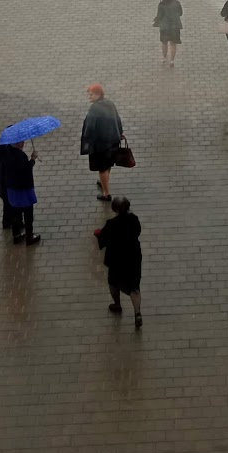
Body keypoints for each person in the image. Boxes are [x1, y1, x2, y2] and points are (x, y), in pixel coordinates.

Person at [96, 196, 143, 328]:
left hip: (116, 259)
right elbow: (138, 231)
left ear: (115, 209)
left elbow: (103, 240)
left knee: (113, 282)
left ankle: (117, 304)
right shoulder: (134, 219)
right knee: (134, 287)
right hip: (133, 257)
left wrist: (98, 235)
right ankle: (137, 313)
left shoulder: (111, 224)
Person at [80, 83, 125, 201]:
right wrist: (120, 133)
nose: (89, 97)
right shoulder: (109, 103)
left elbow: (89, 128)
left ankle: (106, 193)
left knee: (102, 168)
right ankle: (104, 182)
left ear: (98, 95)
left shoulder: (94, 109)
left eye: (91, 95)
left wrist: (87, 142)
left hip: (101, 145)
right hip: (113, 141)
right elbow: (117, 119)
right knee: (108, 164)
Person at [0, 140, 40, 244]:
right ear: (17, 143)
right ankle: (29, 236)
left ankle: (16, 235)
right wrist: (32, 159)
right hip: (23, 190)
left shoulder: (6, 152)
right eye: (21, 142)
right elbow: (26, 170)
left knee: (15, 212)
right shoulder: (21, 156)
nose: (23, 143)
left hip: (11, 189)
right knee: (28, 214)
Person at [153, 0, 183, 67]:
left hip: (165, 27)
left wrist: (156, 19)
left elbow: (159, 16)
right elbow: (180, 13)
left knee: (164, 43)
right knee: (173, 44)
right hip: (175, 26)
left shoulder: (161, 5)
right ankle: (172, 60)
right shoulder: (177, 3)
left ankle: (164, 58)